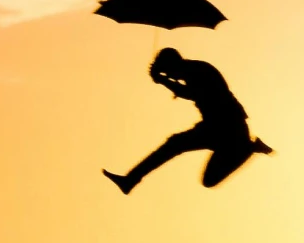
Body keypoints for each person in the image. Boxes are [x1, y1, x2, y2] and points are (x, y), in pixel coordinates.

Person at [104, 46, 273, 192]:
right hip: (216, 127)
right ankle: (130, 180)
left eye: (168, 71)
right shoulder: (194, 70)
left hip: (228, 128)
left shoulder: (196, 71)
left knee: (175, 144)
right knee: (208, 181)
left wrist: (163, 80)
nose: (171, 76)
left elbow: (190, 93)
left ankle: (249, 147)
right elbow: (188, 91)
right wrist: (164, 79)